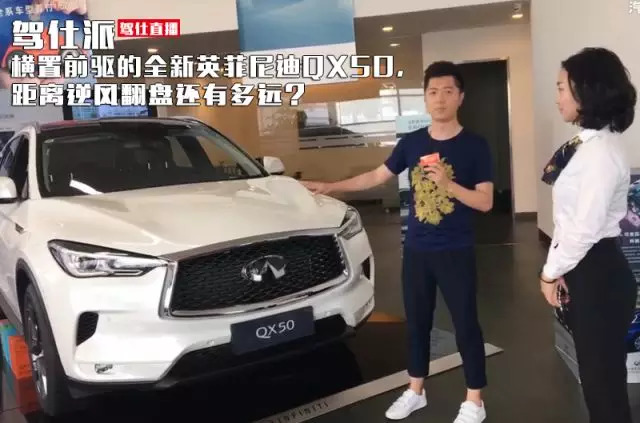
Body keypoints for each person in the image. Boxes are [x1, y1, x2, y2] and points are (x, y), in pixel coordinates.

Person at [302, 61, 494, 423]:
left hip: (456, 250)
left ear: (461, 97)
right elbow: (376, 176)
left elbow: (485, 202)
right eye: (433, 92)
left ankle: (475, 401)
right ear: (425, 98)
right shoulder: (412, 142)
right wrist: (330, 186)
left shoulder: (475, 145)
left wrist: (448, 184)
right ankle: (415, 391)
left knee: (466, 324)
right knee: (417, 324)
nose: (440, 99)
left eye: (448, 91)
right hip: (418, 251)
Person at [539, 47, 637, 423]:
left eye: (561, 87)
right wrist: (563, 267)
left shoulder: (599, 154)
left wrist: (550, 272)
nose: (557, 97)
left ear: (586, 91)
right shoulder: (590, 144)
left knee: (603, 386)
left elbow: (583, 229)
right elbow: (572, 223)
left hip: (598, 272)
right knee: (600, 383)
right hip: (588, 267)